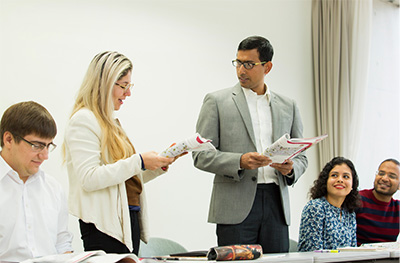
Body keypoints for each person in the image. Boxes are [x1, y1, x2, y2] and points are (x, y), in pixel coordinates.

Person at [192, 36, 308, 253]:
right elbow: (200, 156)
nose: (240, 70)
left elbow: (301, 156)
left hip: (276, 204)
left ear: (268, 67)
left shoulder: (288, 106)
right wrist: (239, 161)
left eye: (248, 64)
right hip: (235, 206)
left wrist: (292, 168)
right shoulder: (216, 101)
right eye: (238, 62)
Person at [63, 51, 179, 255]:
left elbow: (124, 178)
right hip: (104, 226)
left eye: (129, 86)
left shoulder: (111, 123)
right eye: (123, 86)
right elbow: (89, 178)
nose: (128, 93)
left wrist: (157, 165)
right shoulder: (83, 120)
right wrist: (140, 161)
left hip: (126, 217)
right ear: (105, 84)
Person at [0, 101, 73, 262]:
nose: (45, 155)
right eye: (37, 145)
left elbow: (62, 244)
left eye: (48, 146)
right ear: (9, 140)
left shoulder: (53, 188)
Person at [297, 157, 360, 252]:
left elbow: (353, 252)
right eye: (334, 175)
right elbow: (312, 252)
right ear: (325, 181)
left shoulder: (349, 213)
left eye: (346, 176)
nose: (340, 180)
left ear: (352, 185)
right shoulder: (315, 208)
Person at [356, 158, 400, 245]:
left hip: (386, 257)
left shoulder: (398, 208)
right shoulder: (358, 199)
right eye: (381, 173)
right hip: (358, 256)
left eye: (391, 176)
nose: (384, 178)